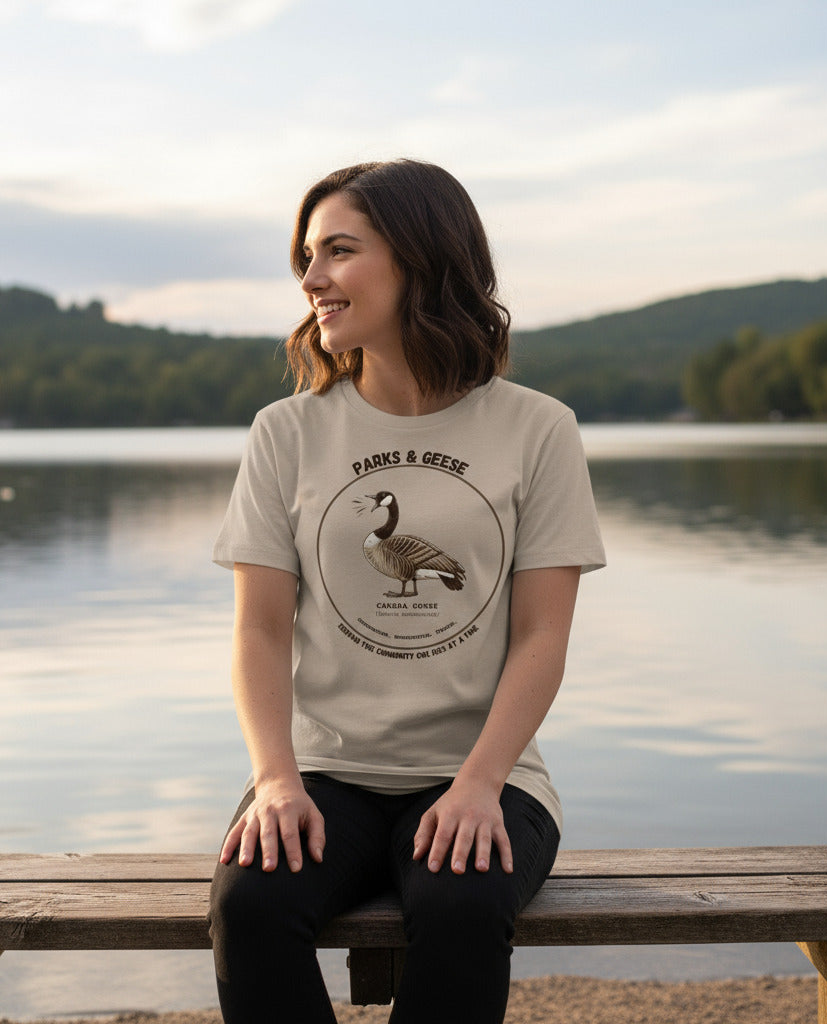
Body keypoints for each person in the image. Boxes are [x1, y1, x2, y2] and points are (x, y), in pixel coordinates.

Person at [208, 159, 605, 1024]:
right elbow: (260, 633)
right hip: (321, 772)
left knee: (462, 905)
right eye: (306, 258)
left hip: (482, 771)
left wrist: (480, 784)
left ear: (420, 258)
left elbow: (542, 637)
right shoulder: (287, 433)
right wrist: (275, 778)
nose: (311, 279)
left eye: (338, 251)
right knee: (250, 905)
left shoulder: (538, 429)